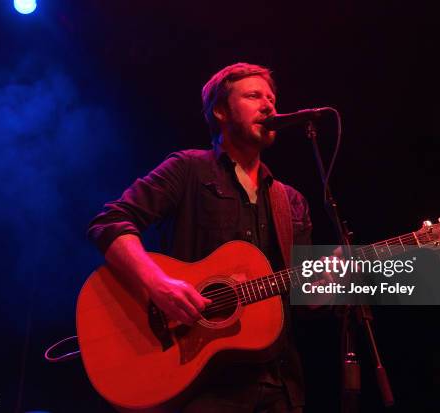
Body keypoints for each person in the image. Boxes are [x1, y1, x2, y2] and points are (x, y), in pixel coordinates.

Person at [88, 62, 313, 413]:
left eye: (272, 97)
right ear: (220, 111)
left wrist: (336, 280)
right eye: (254, 96)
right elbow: (110, 222)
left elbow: (308, 297)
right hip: (201, 389)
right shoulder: (189, 169)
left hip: (279, 385)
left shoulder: (291, 201)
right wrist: (158, 284)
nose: (269, 105)